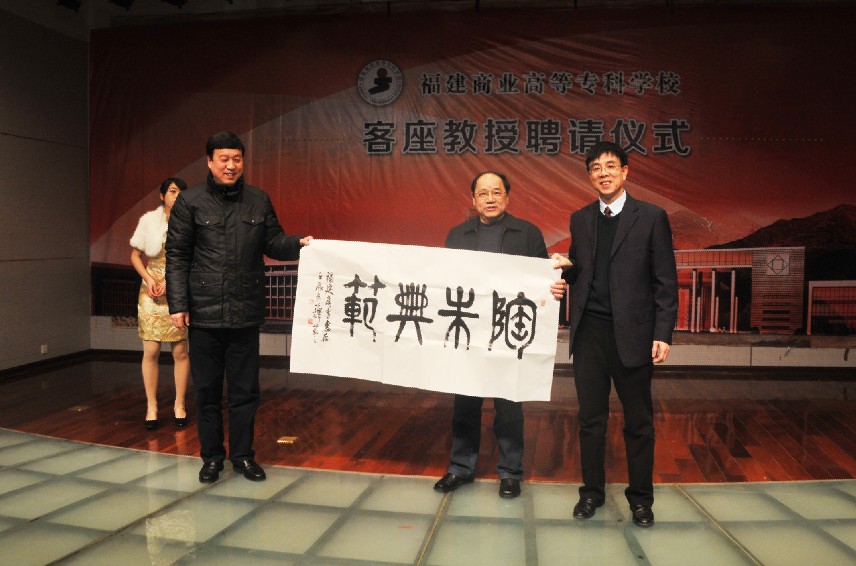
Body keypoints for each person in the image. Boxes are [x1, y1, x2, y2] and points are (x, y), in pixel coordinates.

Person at [166, 132, 313, 484]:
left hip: (245, 310)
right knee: (207, 391)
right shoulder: (190, 201)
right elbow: (177, 255)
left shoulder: (258, 200)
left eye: (237, 159)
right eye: (224, 159)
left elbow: (273, 243)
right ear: (209, 162)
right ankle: (212, 458)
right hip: (204, 312)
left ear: (243, 161)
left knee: (246, 391)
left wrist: (299, 244)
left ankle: (244, 456)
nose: (231, 166)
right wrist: (178, 304)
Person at [550, 141, 678, 527]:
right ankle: (591, 493)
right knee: (591, 420)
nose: (603, 173)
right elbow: (582, 269)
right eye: (595, 168)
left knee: (638, 422)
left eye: (610, 166)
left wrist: (663, 332)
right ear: (589, 176)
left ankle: (641, 499)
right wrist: (564, 272)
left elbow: (665, 281)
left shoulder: (651, 217)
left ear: (625, 172)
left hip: (634, 334)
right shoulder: (581, 218)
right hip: (589, 333)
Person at [433, 171, 549, 499]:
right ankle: (460, 467)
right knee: (465, 404)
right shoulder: (457, 235)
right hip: (468, 331)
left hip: (509, 332)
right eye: (483, 193)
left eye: (496, 192)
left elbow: (543, 278)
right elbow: (443, 279)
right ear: (473, 199)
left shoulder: (527, 233)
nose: (490, 198)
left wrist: (552, 285)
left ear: (507, 197)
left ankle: (510, 472)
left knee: (509, 407)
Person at [130, 177, 190, 431]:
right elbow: (135, 255)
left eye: (181, 192)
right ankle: (152, 406)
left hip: (177, 289)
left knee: (180, 351)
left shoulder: (191, 221)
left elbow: (193, 259)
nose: (177, 195)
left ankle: (179, 404)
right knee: (151, 351)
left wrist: (171, 282)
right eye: (172, 191)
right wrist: (148, 278)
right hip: (151, 290)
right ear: (162, 196)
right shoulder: (149, 221)